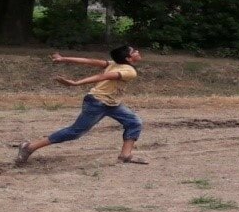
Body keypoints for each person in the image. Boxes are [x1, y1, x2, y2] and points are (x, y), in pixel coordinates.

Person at [16, 46, 147, 166]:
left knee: (134, 123)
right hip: (97, 103)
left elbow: (89, 61)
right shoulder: (129, 71)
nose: (137, 51)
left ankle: (125, 155)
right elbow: (103, 76)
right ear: (128, 58)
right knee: (74, 132)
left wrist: (63, 59)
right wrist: (76, 83)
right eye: (134, 51)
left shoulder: (116, 64)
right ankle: (29, 147)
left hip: (112, 104)